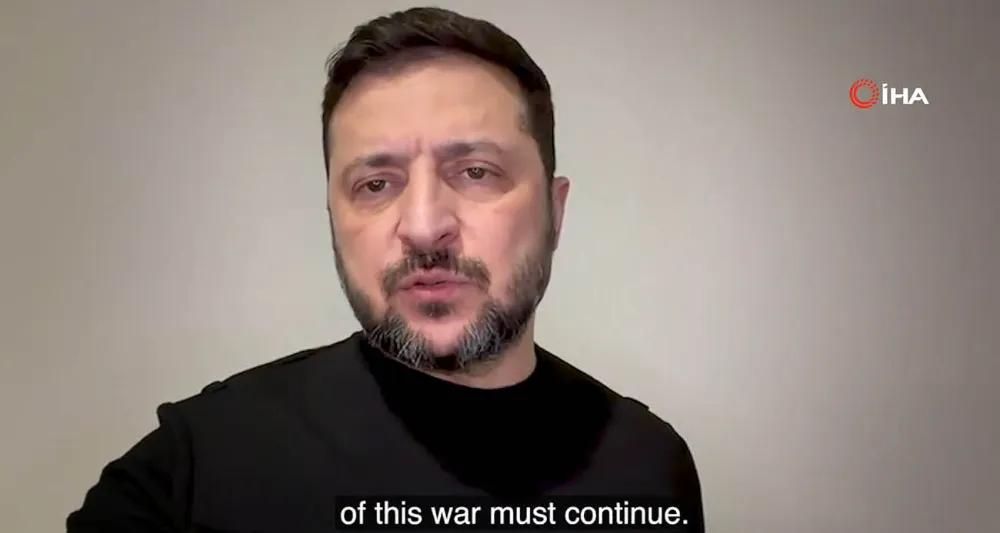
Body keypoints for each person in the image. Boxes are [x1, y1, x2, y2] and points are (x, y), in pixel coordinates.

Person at [67, 6, 704, 532]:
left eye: (475, 171)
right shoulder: (199, 466)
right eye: (375, 184)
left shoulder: (647, 469)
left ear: (554, 212)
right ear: (333, 218)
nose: (423, 226)